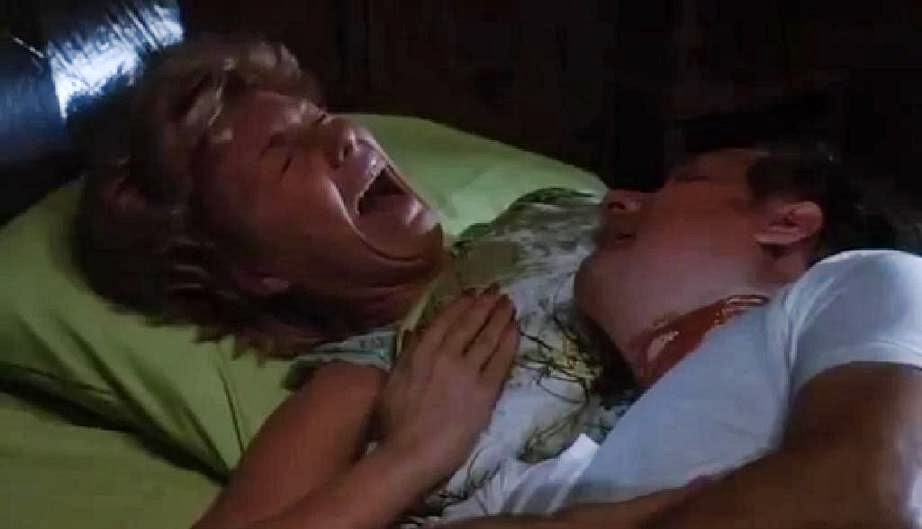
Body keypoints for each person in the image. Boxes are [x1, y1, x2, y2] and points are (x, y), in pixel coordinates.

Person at [76, 36, 625, 528]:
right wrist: (410, 455)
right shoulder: (367, 374)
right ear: (257, 272)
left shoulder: (546, 211)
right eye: (285, 158)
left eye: (322, 119)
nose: (345, 136)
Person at [440, 146, 922, 528]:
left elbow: (855, 495)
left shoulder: (863, 282)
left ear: (786, 224)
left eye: (687, 179)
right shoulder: (554, 475)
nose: (615, 201)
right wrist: (411, 459)